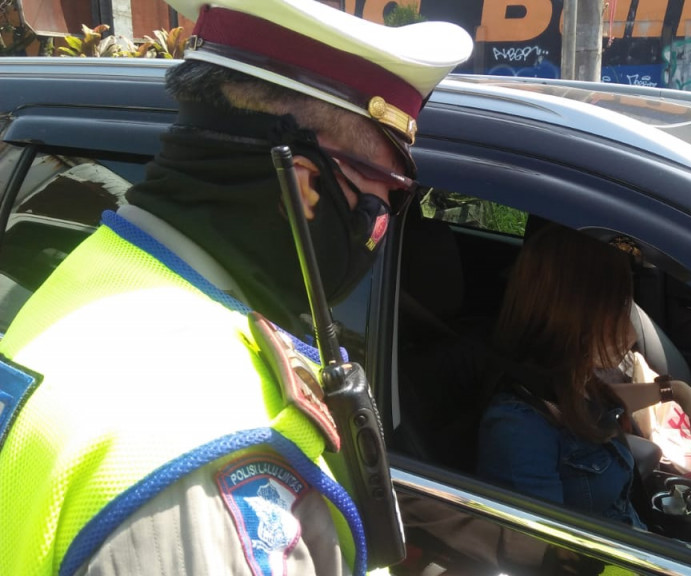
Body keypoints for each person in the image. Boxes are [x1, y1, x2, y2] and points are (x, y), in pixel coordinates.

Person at [0, 1, 472, 575]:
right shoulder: (213, 463)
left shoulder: (95, 277)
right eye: (387, 194)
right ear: (306, 187)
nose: (385, 222)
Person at [476, 224, 691, 529]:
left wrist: (675, 391)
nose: (631, 333)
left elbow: (601, 400)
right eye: (617, 311)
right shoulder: (519, 430)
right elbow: (544, 547)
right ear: (571, 314)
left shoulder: (565, 379)